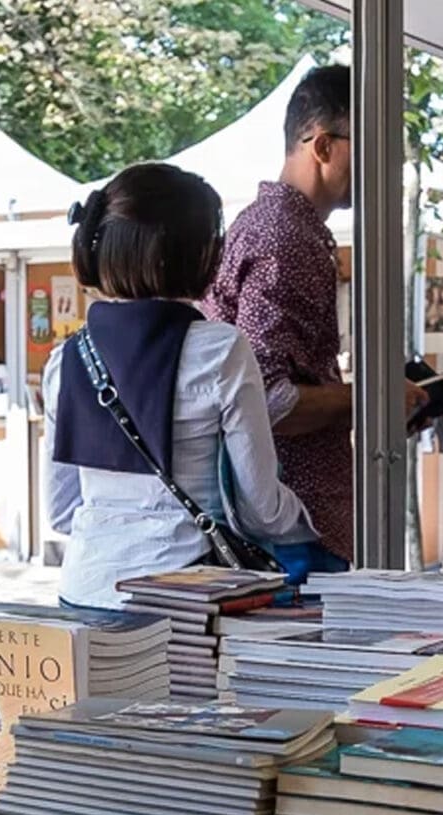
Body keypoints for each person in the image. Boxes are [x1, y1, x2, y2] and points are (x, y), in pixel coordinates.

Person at [44, 163, 316, 609]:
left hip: (82, 591)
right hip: (184, 596)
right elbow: (261, 508)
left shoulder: (65, 360)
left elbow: (60, 511)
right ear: (199, 254)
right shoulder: (220, 350)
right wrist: (313, 523)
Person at [203, 63, 425, 580]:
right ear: (322, 145)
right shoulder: (287, 239)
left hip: (284, 516)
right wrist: (376, 401)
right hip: (291, 521)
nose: (384, 165)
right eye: (372, 145)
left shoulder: (267, 226)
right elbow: (267, 399)